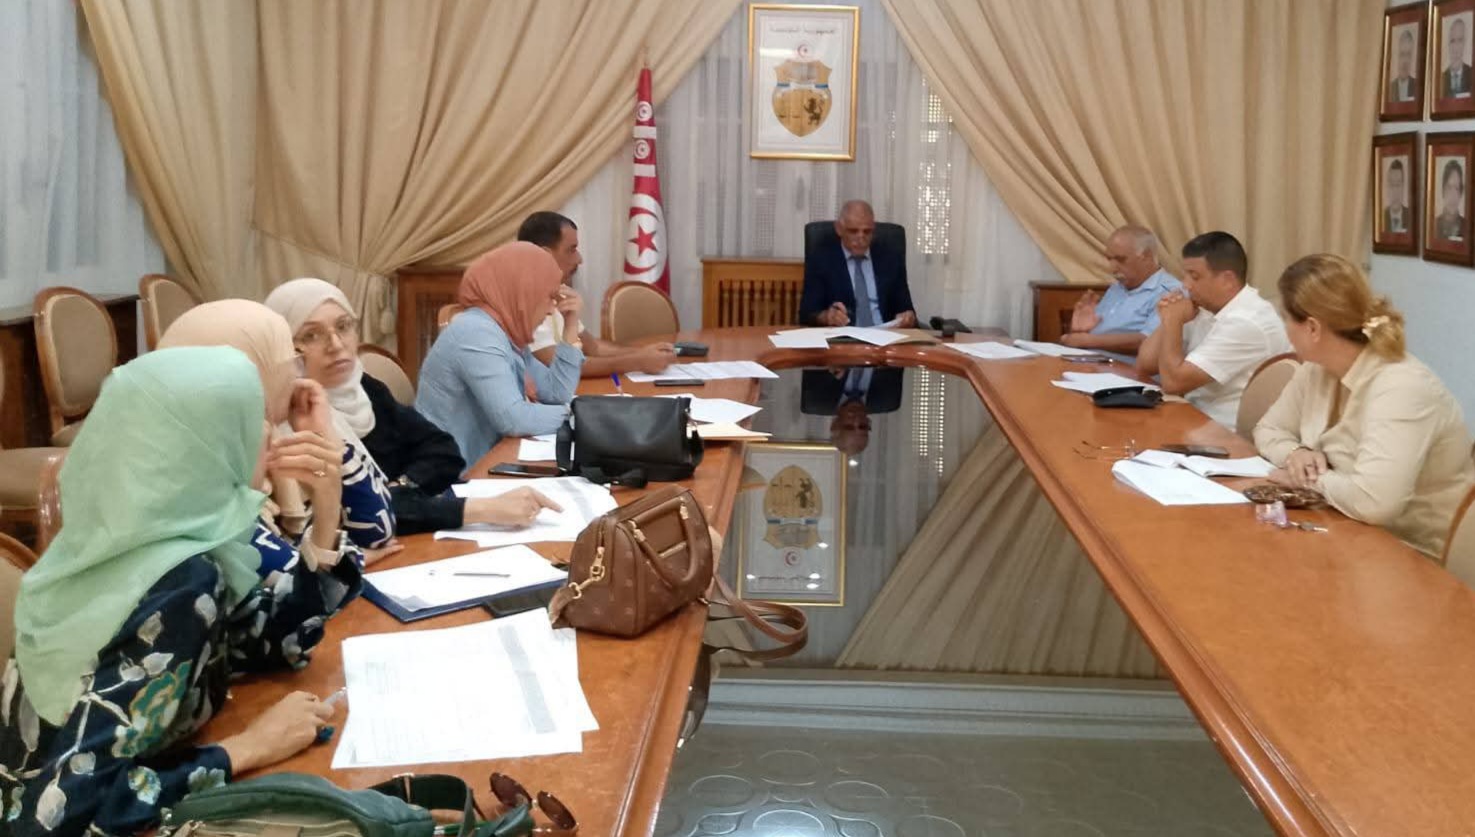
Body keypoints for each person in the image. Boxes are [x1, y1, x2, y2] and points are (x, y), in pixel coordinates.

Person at [1, 347, 360, 836]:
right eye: (247, 416)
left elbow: (267, 643)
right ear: (200, 446)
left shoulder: (143, 533)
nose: (267, 431)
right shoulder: (178, 582)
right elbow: (59, 816)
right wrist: (249, 747)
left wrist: (327, 510)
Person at [264, 278, 561, 535]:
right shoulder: (289, 418)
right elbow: (354, 517)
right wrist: (481, 509)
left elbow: (444, 452)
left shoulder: (365, 388)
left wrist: (399, 489)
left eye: (343, 327)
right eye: (311, 335)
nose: (336, 344)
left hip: (412, 537)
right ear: (282, 347)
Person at [1255, 254, 1474, 559]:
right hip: (1342, 528)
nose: (1286, 330)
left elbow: (1375, 503)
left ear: (1313, 328)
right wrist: (1296, 453)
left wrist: (1309, 478)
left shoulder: (1401, 387)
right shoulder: (1317, 368)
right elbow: (1268, 429)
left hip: (1413, 553)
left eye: (1287, 319)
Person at [159, 301, 396, 571]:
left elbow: (377, 534)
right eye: (287, 359)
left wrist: (326, 437)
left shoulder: (269, 438)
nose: (297, 371)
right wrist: (330, 516)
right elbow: (300, 587)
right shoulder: (205, 487)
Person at [416, 242, 583, 464]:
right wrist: (583, 416)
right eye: (548, 296)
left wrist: (570, 326)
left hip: (486, 461)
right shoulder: (475, 333)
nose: (552, 310)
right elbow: (513, 419)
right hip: (449, 472)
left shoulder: (505, 332)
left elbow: (555, 392)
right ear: (522, 293)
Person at [1137, 232, 1291, 430]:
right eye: (1185, 275)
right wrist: (1168, 318)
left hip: (1226, 432)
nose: (1185, 285)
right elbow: (1146, 364)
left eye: (1194, 276)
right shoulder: (1204, 308)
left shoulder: (1247, 321)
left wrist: (1173, 321)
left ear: (1227, 280)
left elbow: (1173, 383)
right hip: (1193, 418)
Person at [517, 211, 676, 377]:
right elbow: (558, 365)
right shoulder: (521, 299)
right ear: (545, 255)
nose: (579, 259)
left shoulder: (557, 292)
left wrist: (644, 353)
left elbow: (593, 348)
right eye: (572, 250)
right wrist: (637, 362)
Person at [1060, 225, 1182, 362]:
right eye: (1109, 259)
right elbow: (1088, 336)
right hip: (1091, 363)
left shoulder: (1171, 291)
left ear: (1146, 256)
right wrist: (1081, 331)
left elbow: (1149, 341)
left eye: (1121, 259)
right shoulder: (1117, 288)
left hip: (1129, 371)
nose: (1112, 268)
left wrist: (1088, 340)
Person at [799, 200, 918, 328]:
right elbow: (807, 314)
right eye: (853, 231)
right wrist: (827, 316)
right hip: (844, 336)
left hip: (885, 335)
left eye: (867, 231)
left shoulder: (890, 259)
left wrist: (908, 317)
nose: (861, 238)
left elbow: (907, 310)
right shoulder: (822, 259)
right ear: (839, 229)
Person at [800, 367, 904, 455]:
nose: (857, 419)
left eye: (848, 426)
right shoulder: (888, 398)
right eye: (863, 426)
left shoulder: (816, 399)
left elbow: (806, 357)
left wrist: (829, 364)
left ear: (834, 425)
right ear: (869, 423)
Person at [1437, 159, 1466, 241]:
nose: (1453, 195)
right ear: (1443, 191)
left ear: (1460, 193)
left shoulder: (1468, 226)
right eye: (1449, 188)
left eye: (1456, 188)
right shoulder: (1433, 225)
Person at [1389, 28, 1418, 103]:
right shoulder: (1389, 88)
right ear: (1397, 56)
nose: (1405, 61)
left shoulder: (1417, 87)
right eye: (1402, 54)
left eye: (1408, 55)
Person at [1445, 18, 1472, 99]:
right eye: (1452, 41)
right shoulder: (1441, 79)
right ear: (1448, 44)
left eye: (1460, 40)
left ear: (1464, 43)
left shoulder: (1472, 74)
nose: (1456, 47)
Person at [1384, 160, 1410, 235]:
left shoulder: (1411, 217)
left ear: (1403, 187)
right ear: (1387, 188)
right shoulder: (1381, 217)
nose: (1395, 191)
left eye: (1398, 185)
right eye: (1391, 185)